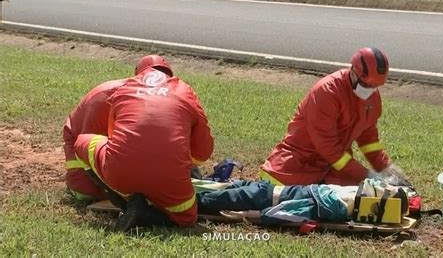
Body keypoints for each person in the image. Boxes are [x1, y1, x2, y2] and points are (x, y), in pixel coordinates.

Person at [73, 55, 214, 229]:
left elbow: (113, 137)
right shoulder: (185, 90)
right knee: (186, 220)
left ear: (138, 73)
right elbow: (204, 152)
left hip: (121, 174)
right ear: (169, 73)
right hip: (172, 180)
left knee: (81, 141)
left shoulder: (125, 88)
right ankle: (148, 215)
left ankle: (127, 203)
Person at [260, 47, 406, 186]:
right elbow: (328, 148)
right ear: (354, 72)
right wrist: (367, 175)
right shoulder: (327, 92)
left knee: (360, 200)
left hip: (332, 169)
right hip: (297, 167)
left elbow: (368, 138)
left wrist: (386, 168)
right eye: (366, 85)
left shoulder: (372, 96)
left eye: (375, 87)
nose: (370, 91)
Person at [196, 178, 409, 226]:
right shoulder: (352, 195)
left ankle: (166, 203)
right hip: (263, 189)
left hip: (260, 197)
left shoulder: (334, 206)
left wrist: (247, 215)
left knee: (203, 200)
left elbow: (287, 212)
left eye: (388, 190)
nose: (385, 185)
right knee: (212, 187)